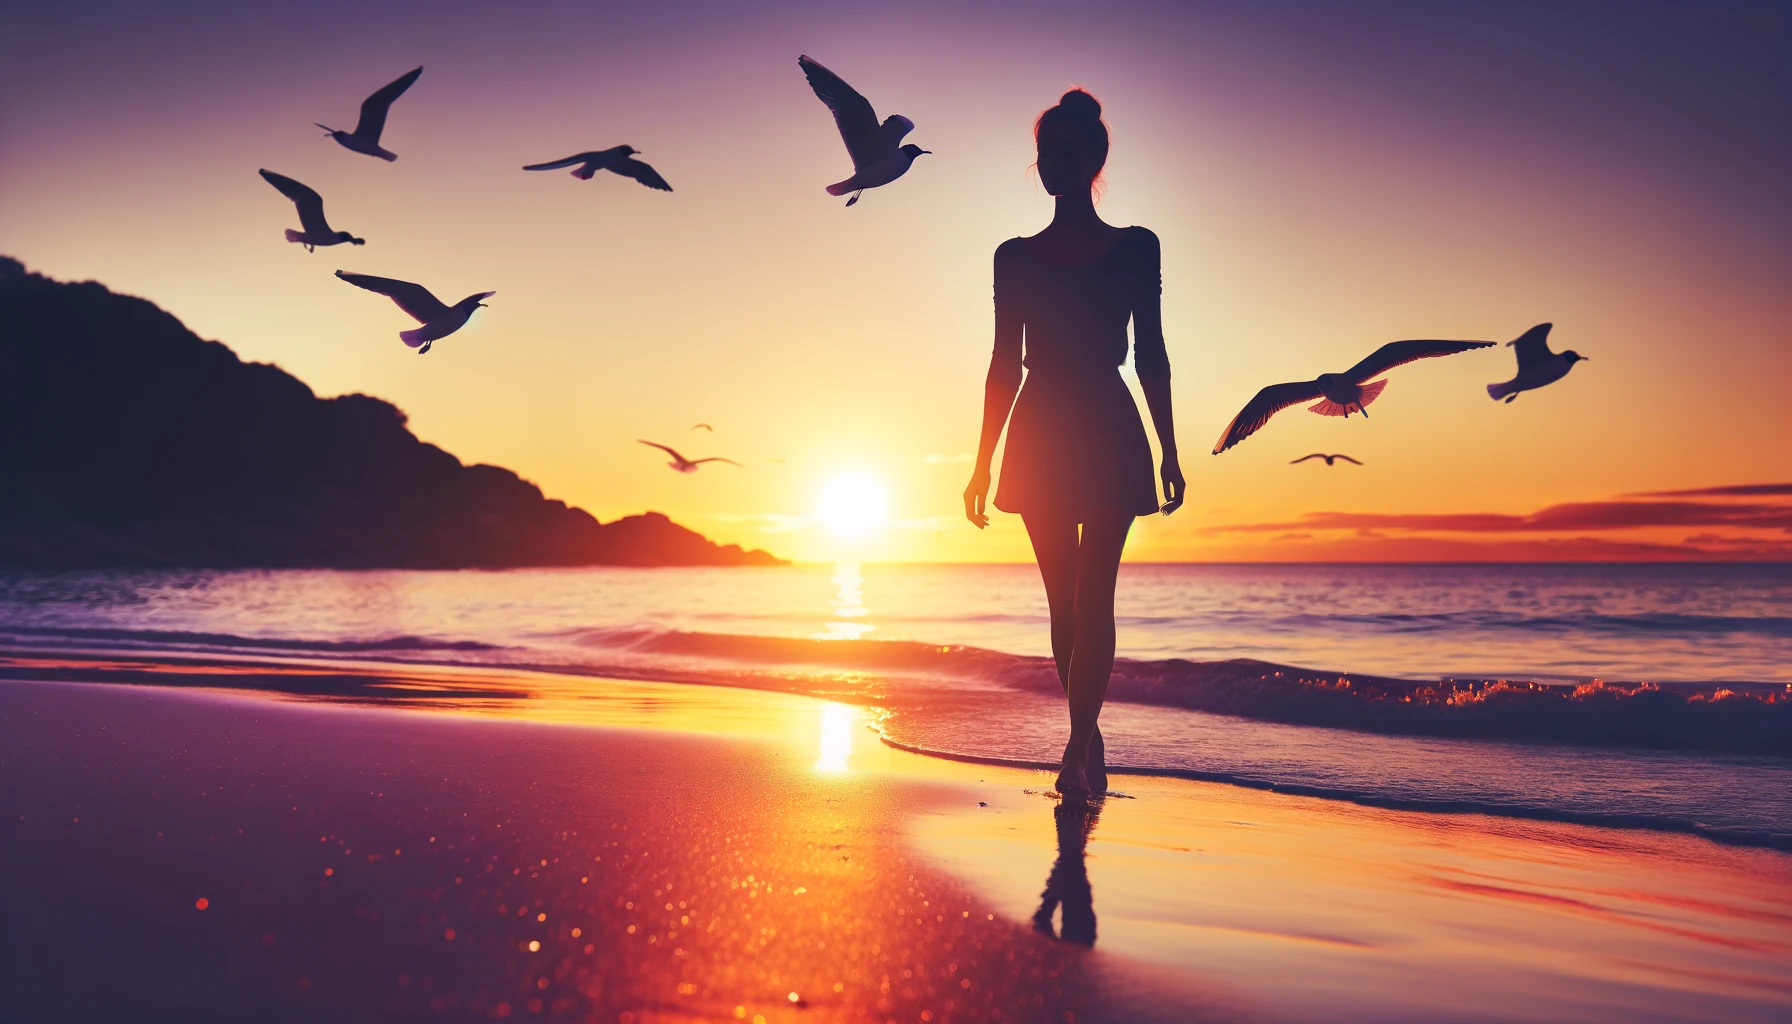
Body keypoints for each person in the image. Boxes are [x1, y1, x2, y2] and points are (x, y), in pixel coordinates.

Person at [963, 88, 1183, 799]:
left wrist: (1170, 447)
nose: (1052, 163)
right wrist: (980, 462)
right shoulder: (1013, 257)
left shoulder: (1137, 246)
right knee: (1064, 605)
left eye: (1065, 151)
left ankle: (1073, 754)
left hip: (1110, 425)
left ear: (1094, 160)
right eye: (1044, 152)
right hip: (1040, 429)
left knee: (1096, 598)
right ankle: (1088, 743)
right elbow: (1003, 363)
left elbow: (1151, 353)